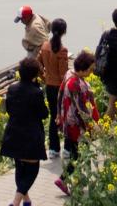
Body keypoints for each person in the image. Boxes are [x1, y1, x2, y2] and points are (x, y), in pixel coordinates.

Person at [0, 58, 47, 206]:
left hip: (14, 133)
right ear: (35, 74)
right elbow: (44, 114)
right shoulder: (36, 92)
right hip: (30, 135)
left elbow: (9, 109)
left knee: (20, 167)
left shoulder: (12, 89)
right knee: (32, 170)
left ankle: (26, 201)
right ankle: (15, 202)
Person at [54, 50, 99, 196]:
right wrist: (92, 126)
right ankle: (65, 180)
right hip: (76, 127)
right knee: (81, 155)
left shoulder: (70, 74)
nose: (91, 73)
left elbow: (59, 95)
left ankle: (75, 182)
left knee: (77, 155)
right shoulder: (76, 84)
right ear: (84, 68)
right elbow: (82, 110)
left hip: (69, 123)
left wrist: (58, 116)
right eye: (90, 70)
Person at [37, 18, 70, 157]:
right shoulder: (62, 50)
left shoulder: (44, 46)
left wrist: (45, 77)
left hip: (49, 87)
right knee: (66, 116)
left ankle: (53, 149)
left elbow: (38, 64)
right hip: (60, 88)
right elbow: (63, 74)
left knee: (53, 116)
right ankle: (68, 149)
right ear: (64, 32)